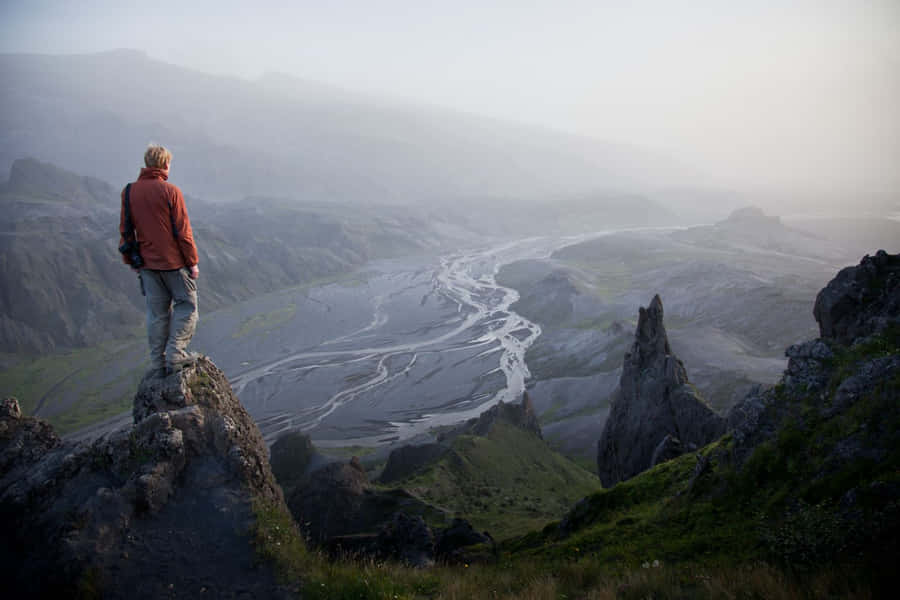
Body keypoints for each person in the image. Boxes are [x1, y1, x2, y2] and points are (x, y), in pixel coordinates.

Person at [119, 144, 200, 376]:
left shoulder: (129, 192)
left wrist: (132, 261)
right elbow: (183, 232)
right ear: (165, 164)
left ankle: (157, 363)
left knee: (157, 314)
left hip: (146, 265)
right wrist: (192, 262)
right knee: (187, 305)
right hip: (174, 263)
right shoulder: (170, 191)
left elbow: (126, 230)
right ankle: (176, 353)